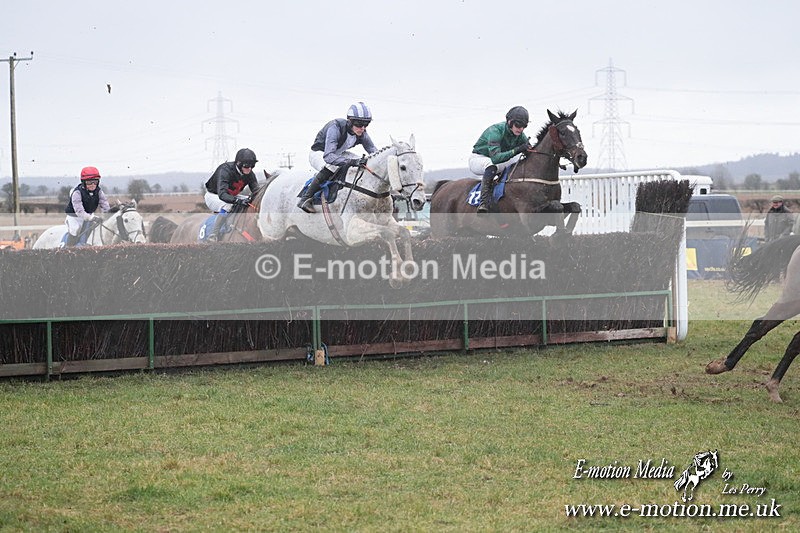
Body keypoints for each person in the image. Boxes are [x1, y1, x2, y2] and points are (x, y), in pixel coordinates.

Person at [297, 102, 378, 213]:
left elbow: (374, 152)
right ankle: (305, 198)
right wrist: (351, 162)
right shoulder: (335, 127)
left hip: (339, 154)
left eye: (366, 124)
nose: (362, 128)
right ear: (350, 121)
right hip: (319, 153)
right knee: (333, 166)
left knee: (363, 163)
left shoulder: (362, 133)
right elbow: (328, 156)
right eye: (359, 124)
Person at [469, 106, 534, 213]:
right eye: (518, 125)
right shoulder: (495, 131)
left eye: (524, 126)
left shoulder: (520, 134)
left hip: (499, 159)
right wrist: (517, 149)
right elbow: (496, 158)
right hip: (479, 159)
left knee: (521, 160)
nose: (521, 129)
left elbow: (530, 152)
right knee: (491, 165)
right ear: (509, 122)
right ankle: (483, 202)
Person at [204, 148, 259, 241]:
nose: (249, 168)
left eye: (252, 165)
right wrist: (237, 201)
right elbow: (222, 195)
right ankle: (214, 235)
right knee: (228, 205)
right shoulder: (225, 170)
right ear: (238, 163)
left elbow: (256, 191)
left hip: (230, 196)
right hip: (214, 196)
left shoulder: (250, 174)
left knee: (251, 201)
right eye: (246, 165)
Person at [64, 166, 111, 247]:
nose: (93, 185)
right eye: (89, 182)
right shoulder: (77, 193)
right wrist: (90, 218)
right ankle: (68, 248)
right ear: (84, 182)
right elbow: (79, 211)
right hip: (75, 216)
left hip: (89, 215)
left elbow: (104, 204)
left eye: (95, 182)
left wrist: (108, 214)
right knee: (75, 230)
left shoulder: (99, 191)